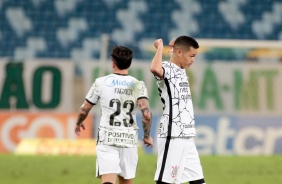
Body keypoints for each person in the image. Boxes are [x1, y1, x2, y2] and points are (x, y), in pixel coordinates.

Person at [75, 45, 154, 184]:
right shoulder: (138, 85)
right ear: (129, 63)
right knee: (125, 181)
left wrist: (78, 122)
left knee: (107, 179)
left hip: (108, 138)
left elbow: (84, 110)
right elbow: (146, 114)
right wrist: (147, 136)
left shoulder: (101, 82)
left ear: (113, 63)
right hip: (129, 139)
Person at [150, 36, 206, 184]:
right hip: (173, 134)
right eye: (191, 56)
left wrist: (175, 48)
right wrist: (160, 48)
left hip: (187, 136)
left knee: (198, 181)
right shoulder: (166, 69)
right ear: (180, 53)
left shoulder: (181, 69)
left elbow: (179, 53)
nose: (193, 60)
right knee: (166, 181)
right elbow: (155, 68)